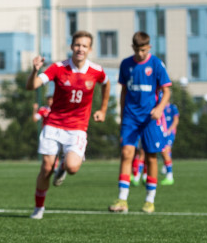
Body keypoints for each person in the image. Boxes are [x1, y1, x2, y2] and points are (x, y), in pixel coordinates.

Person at [25, 31, 110, 219]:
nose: (80, 49)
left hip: (78, 128)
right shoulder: (58, 68)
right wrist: (34, 71)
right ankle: (39, 207)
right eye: (77, 45)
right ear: (71, 46)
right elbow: (32, 86)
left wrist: (103, 109)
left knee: (73, 168)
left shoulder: (96, 71)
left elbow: (106, 83)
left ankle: (63, 164)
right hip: (54, 125)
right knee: (46, 168)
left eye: (84, 46)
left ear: (90, 49)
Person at [109, 31, 171, 214]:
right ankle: (122, 199)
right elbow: (123, 92)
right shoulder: (126, 64)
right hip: (130, 117)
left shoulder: (157, 64)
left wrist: (159, 108)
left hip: (150, 118)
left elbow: (167, 91)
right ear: (132, 48)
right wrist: (122, 115)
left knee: (151, 156)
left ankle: (149, 200)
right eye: (137, 49)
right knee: (127, 153)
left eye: (143, 50)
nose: (140, 53)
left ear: (149, 47)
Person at [160, 101, 179, 185]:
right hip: (161, 132)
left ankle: (169, 176)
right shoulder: (160, 106)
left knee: (166, 149)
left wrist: (170, 130)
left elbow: (176, 120)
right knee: (164, 151)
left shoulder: (172, 107)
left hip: (169, 132)